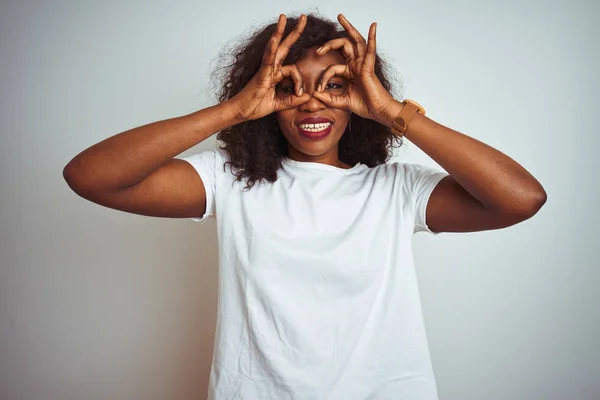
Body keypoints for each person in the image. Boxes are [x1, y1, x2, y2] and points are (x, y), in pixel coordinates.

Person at [63, 12, 547, 400]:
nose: (312, 103)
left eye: (335, 86)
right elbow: (90, 176)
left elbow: (522, 199)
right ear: (265, 95)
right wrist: (231, 111)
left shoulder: (395, 188)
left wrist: (393, 112)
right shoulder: (230, 180)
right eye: (288, 87)